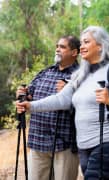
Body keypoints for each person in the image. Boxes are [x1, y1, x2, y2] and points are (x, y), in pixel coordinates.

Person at [16, 26, 109, 180]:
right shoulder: (80, 75)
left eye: (86, 42)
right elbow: (61, 99)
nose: (82, 46)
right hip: (85, 147)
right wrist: (31, 106)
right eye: (81, 43)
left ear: (101, 45)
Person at [16, 35, 80, 180]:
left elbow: (88, 107)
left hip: (64, 144)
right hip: (38, 141)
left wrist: (73, 91)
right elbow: (29, 95)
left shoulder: (81, 76)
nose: (57, 49)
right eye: (57, 46)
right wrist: (22, 94)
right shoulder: (45, 72)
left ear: (74, 52)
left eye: (62, 47)